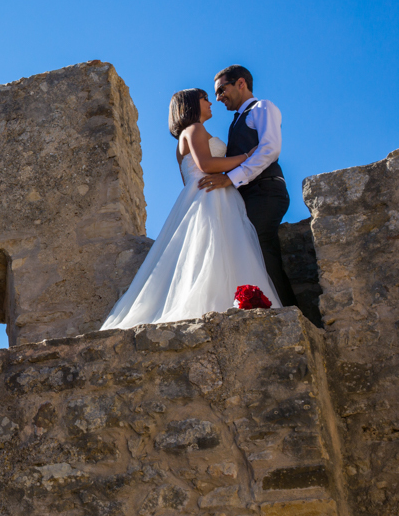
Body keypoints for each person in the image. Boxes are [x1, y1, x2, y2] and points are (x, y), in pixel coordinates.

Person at [100, 88, 280, 330]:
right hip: (211, 194)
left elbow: (188, 177)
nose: (211, 103)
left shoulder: (187, 135)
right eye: (205, 99)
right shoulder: (194, 129)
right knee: (218, 248)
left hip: (202, 193)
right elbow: (206, 164)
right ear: (192, 105)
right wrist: (247, 156)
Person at [199, 65, 298, 307]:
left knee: (261, 249)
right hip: (248, 195)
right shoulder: (235, 122)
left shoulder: (262, 108)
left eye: (222, 90)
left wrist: (231, 178)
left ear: (241, 83)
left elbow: (270, 149)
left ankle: (288, 312)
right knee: (248, 251)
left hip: (265, 191)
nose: (218, 97)